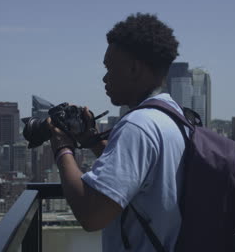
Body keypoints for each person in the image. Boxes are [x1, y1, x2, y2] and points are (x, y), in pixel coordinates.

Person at [46, 13, 185, 252]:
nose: (104, 77)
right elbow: (142, 178)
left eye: (110, 68)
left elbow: (91, 215)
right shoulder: (174, 115)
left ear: (133, 69)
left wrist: (62, 148)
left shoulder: (137, 126)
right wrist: (92, 141)